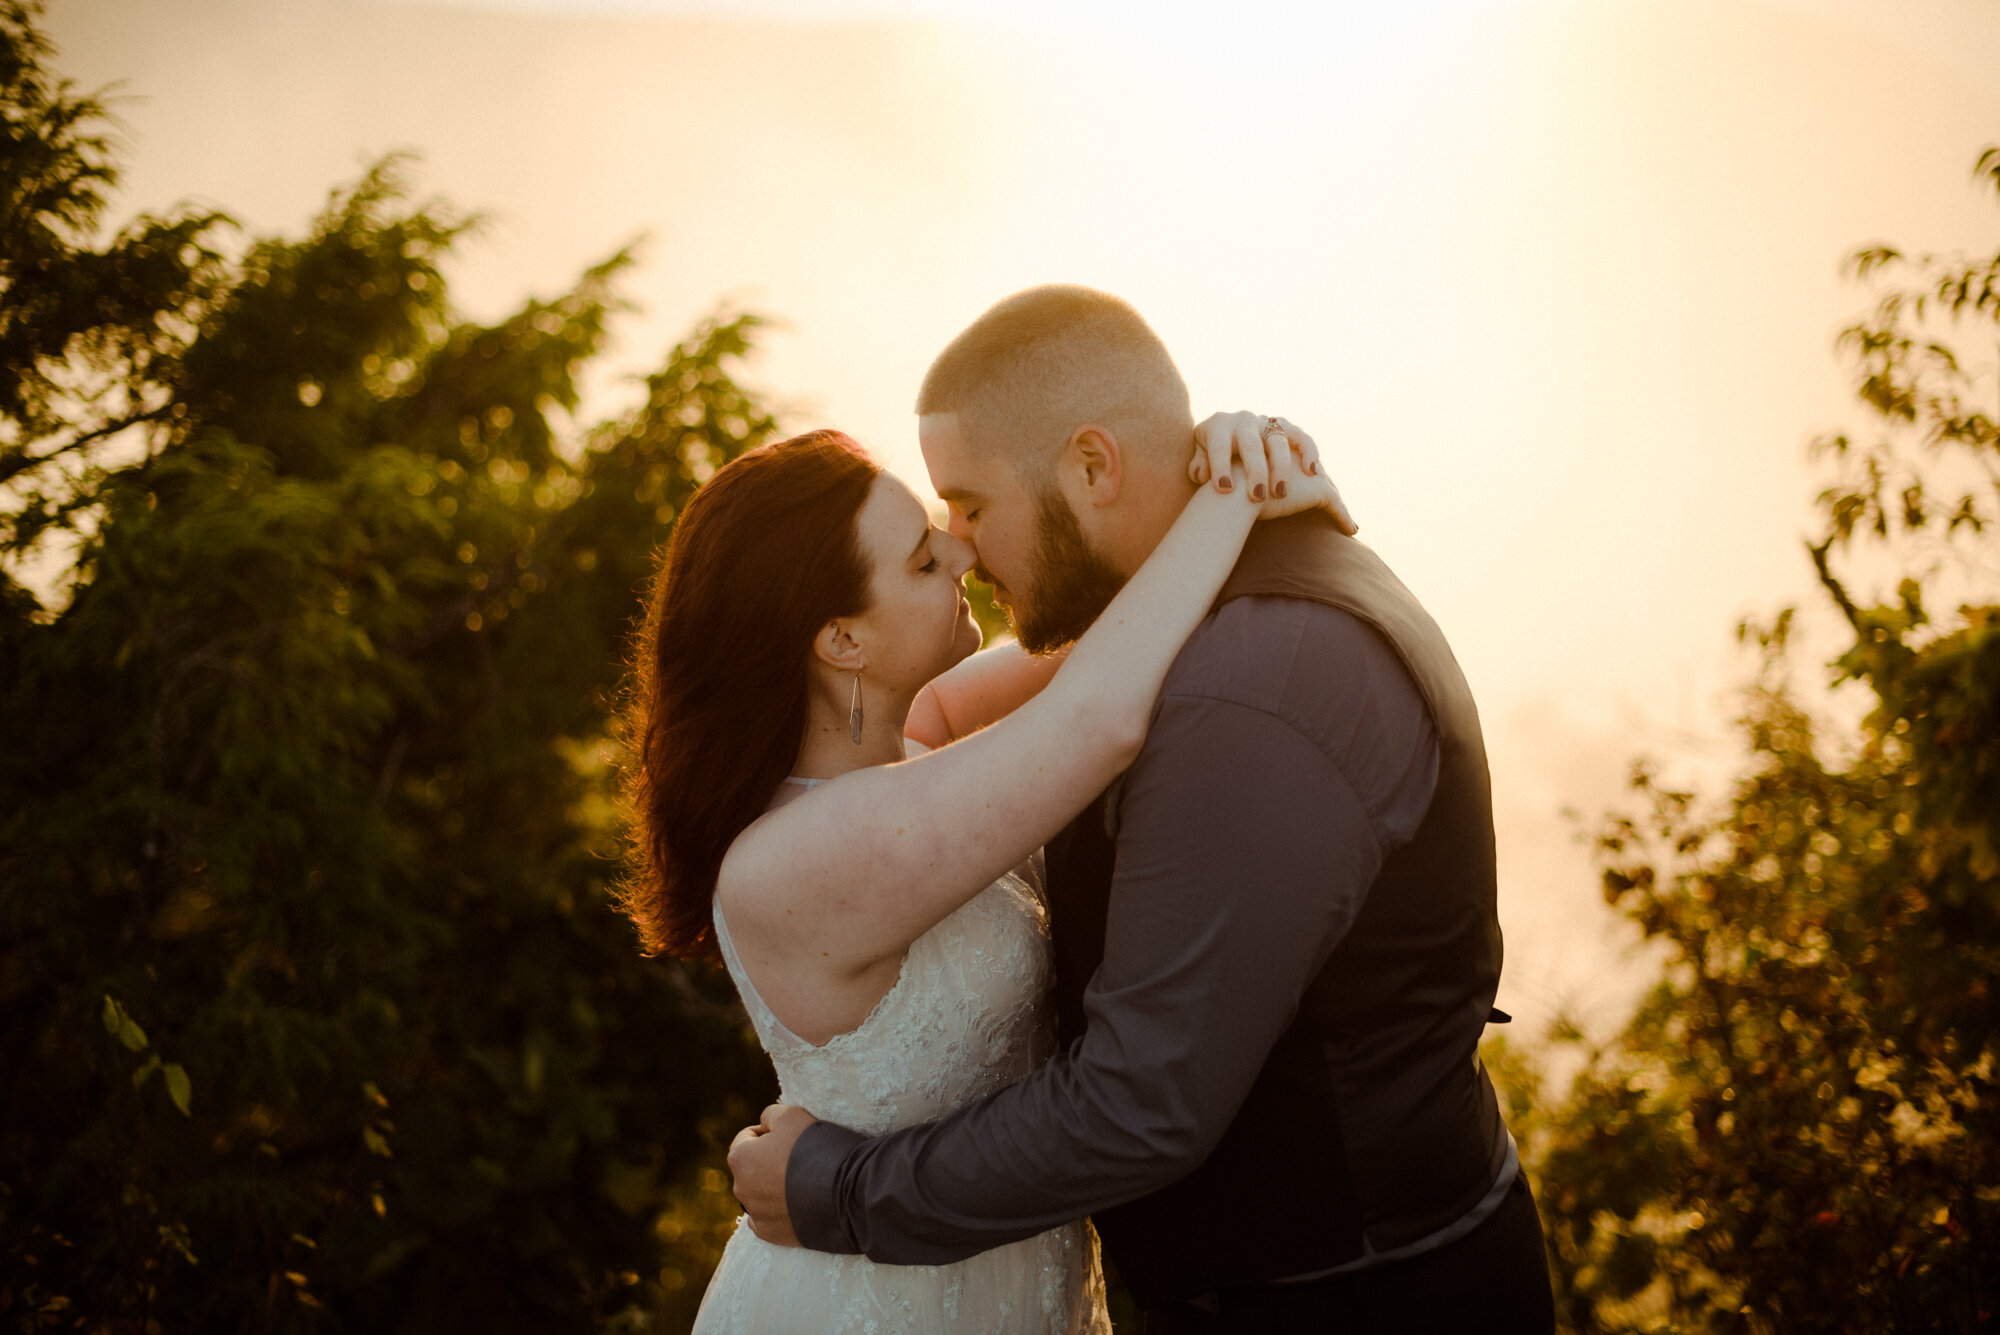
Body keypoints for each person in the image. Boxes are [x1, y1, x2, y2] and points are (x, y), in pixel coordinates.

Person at [726, 285, 1558, 1334]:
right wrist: (1218, 483)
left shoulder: (1246, 688)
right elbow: (1016, 708)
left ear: (1090, 467)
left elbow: (1138, 1103)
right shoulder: (1183, 626)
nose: (964, 549)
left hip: (1345, 1302)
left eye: (972, 506)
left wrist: (840, 1191)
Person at [622, 399, 1347, 1333]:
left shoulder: (908, 744)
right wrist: (1238, 489)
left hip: (1001, 1277)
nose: (962, 553)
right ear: (843, 640)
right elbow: (1094, 716)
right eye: (925, 560)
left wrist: (1219, 466)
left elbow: (1109, 646)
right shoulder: (796, 860)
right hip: (875, 1304)